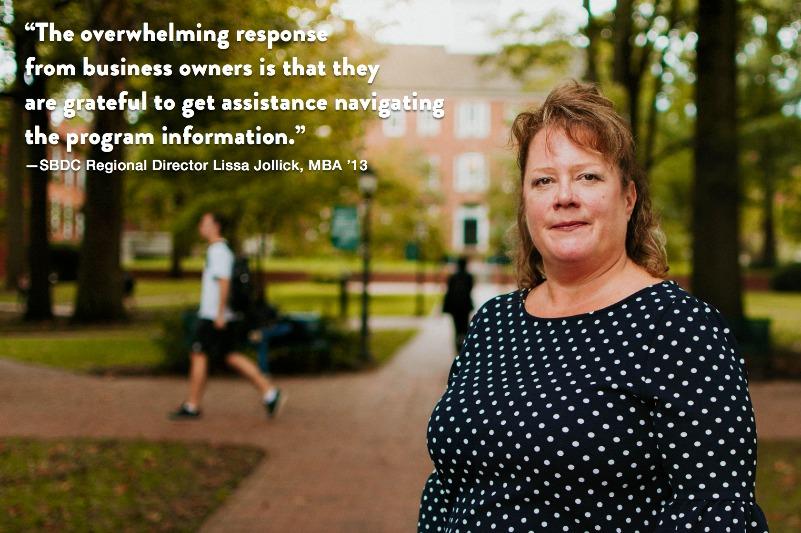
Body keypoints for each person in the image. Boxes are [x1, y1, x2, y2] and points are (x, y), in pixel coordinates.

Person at [417, 80, 770, 532]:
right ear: (526, 204)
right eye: (544, 180)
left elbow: (715, 513)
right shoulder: (493, 322)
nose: (564, 196)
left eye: (588, 176)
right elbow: (447, 485)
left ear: (628, 198)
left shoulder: (680, 329)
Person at [169, 211, 286, 420]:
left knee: (198, 354)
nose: (201, 227)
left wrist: (220, 314)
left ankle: (192, 405)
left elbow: (224, 282)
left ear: (216, 226)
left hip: (214, 316)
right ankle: (269, 392)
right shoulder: (220, 251)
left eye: (204, 223)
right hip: (218, 315)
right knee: (230, 356)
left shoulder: (218, 252)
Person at [441, 256, 474, 354]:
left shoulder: (452, 277)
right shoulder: (469, 276)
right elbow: (470, 289)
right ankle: (463, 347)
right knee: (464, 327)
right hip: (465, 306)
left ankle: (457, 348)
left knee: (456, 328)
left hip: (454, 307)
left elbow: (449, 290)